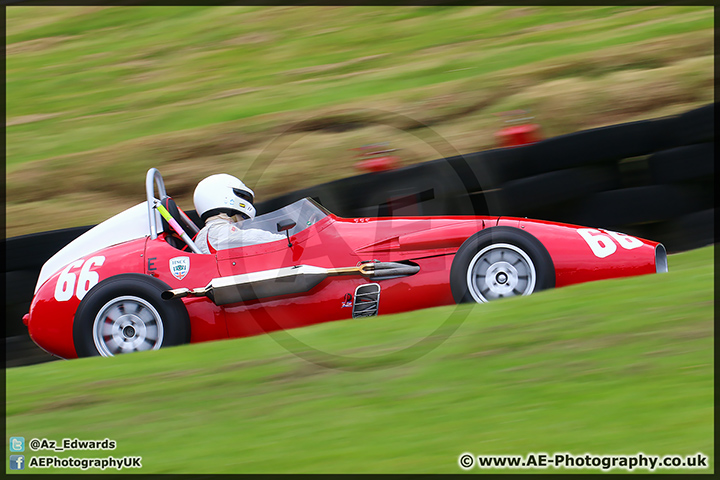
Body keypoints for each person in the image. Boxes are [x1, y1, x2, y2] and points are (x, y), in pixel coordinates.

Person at [193, 174, 284, 254]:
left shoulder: (204, 235)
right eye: (242, 197)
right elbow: (256, 237)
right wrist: (290, 239)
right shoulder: (219, 232)